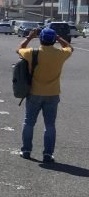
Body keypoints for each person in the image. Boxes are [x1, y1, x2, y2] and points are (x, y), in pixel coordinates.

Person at [17, 26, 73, 163]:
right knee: (50, 125)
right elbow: (70, 47)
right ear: (54, 40)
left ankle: (26, 150)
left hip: (34, 92)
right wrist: (58, 37)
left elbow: (19, 49)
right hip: (53, 93)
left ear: (40, 39)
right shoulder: (60, 54)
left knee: (29, 122)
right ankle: (48, 154)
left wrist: (30, 37)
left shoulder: (32, 53)